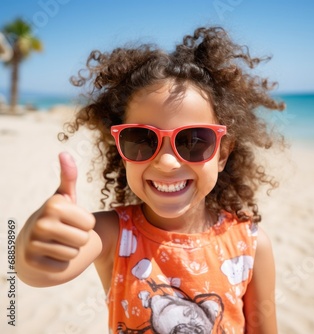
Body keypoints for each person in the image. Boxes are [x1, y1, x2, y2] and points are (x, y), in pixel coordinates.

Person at [15, 26, 285, 334]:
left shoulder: (250, 244)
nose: (167, 162)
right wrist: (29, 245)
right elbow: (37, 274)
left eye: (193, 141)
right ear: (120, 150)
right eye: (141, 139)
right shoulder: (112, 235)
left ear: (222, 153)